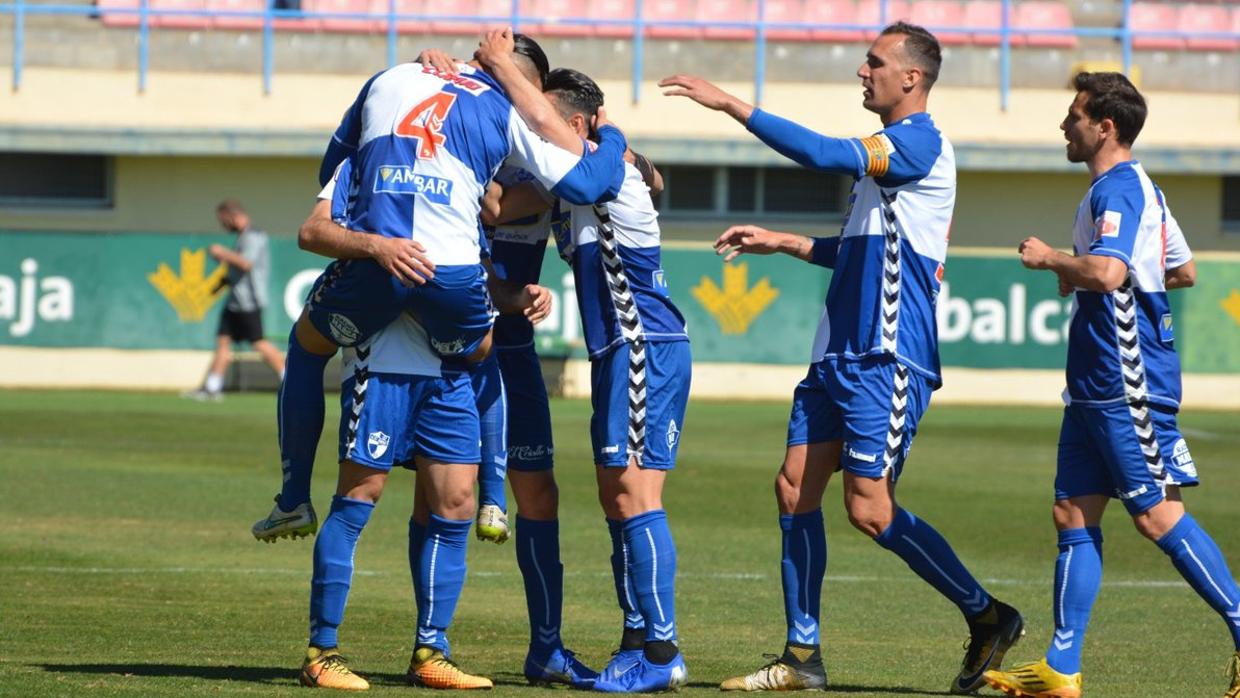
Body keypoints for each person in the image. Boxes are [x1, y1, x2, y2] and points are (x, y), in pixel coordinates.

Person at [660, 22, 1023, 694]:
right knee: (794, 487)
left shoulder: (920, 142)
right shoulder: (885, 163)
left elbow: (826, 154)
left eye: (875, 62)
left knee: (870, 510)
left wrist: (733, 105)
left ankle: (989, 615)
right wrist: (786, 242)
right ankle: (803, 656)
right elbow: (856, 248)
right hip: (837, 355)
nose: (863, 71)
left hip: (887, 357)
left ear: (910, 77)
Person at [250, 33, 628, 543]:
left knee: (312, 353)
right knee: (442, 472)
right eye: (524, 86)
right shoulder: (513, 114)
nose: (526, 97)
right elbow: (571, 187)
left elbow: (337, 168)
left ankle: (294, 496)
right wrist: (616, 141)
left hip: (410, 279)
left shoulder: (395, 80)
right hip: (457, 288)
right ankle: (492, 501)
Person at [982, 72, 1240, 698]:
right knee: (1072, 512)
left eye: (1074, 115)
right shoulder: (1133, 189)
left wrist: (1055, 261)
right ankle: (1060, 669)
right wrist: (1093, 273)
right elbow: (1180, 268)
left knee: (1155, 515)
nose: (1064, 125)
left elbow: (1107, 270)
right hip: (1095, 385)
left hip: (1126, 379)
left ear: (1106, 126)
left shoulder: (1119, 189)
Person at [296, 162, 554, 691]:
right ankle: (322, 652)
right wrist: (377, 251)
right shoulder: (366, 160)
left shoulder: (463, 176)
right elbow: (319, 231)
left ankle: (431, 651)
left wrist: (518, 295)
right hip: (386, 363)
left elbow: (480, 275)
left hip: (450, 375)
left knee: (455, 504)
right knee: (360, 495)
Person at [479, 53, 691, 693]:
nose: (532, 130)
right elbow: (495, 204)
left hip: (640, 344)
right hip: (624, 350)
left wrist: (616, 138)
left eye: (544, 122)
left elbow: (606, 174)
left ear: (574, 125)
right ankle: (637, 640)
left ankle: (660, 652)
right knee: (617, 495)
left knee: (633, 496)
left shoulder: (595, 170)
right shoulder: (581, 172)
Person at [184, 200, 284, 401]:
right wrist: (220, 284)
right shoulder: (243, 236)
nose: (223, 226)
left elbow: (246, 264)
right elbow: (237, 269)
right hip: (234, 301)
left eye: (224, 221)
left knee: (259, 343)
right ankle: (213, 388)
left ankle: (290, 379)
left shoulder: (253, 235)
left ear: (232, 216)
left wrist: (222, 253)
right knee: (223, 342)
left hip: (249, 301)